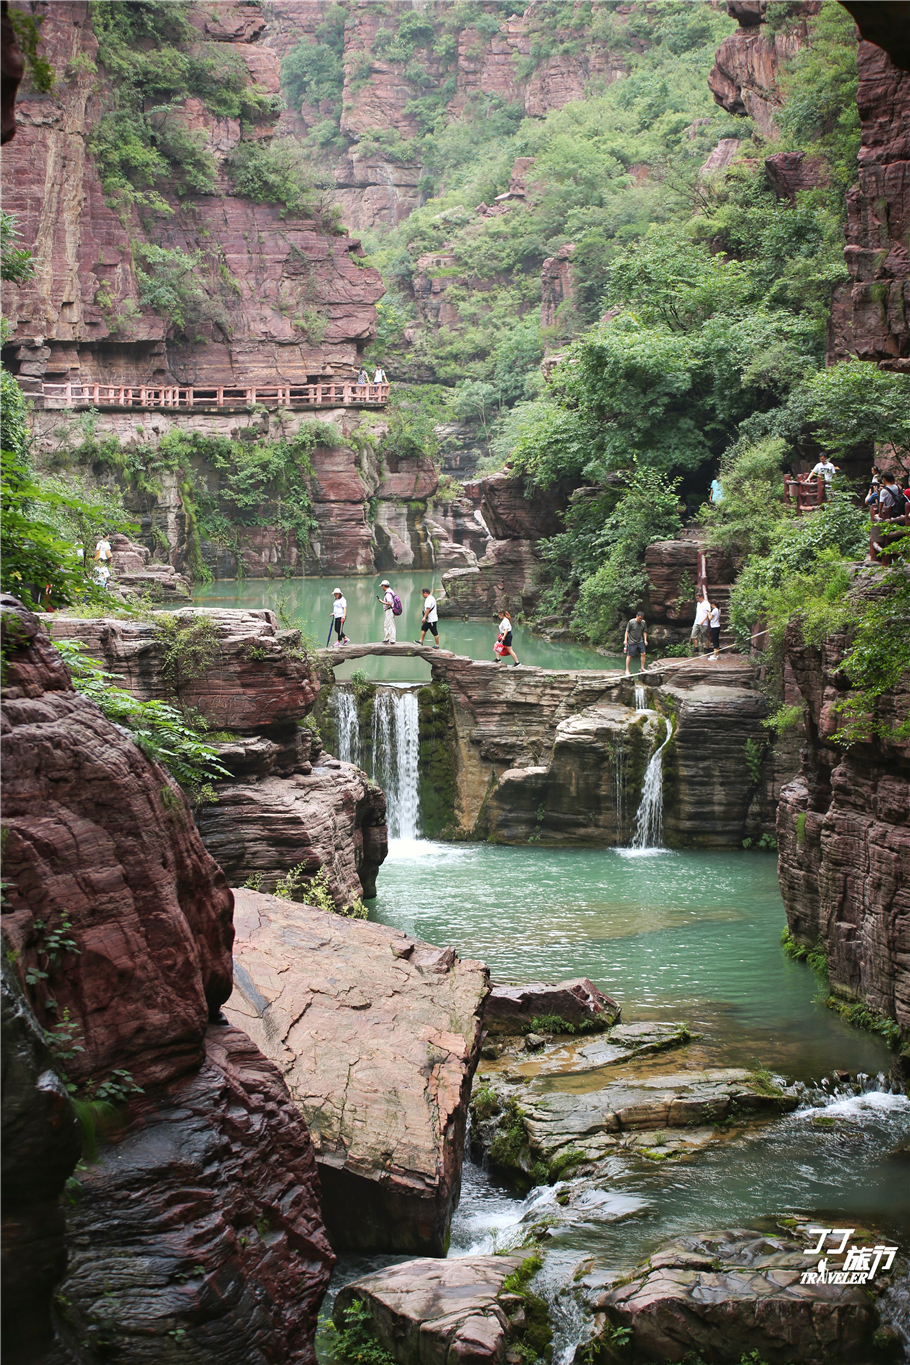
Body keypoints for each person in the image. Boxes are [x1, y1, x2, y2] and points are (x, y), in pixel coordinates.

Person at [624, 610, 647, 675]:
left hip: (640, 640)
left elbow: (644, 631)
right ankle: (627, 670)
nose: (640, 620)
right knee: (629, 655)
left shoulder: (643, 622)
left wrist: (645, 640)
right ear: (637, 616)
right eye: (639, 618)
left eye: (642, 618)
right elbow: (627, 631)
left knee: (643, 653)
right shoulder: (631, 622)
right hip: (632, 641)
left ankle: (642, 668)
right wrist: (625, 640)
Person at [690, 586, 710, 657]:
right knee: (693, 635)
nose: (697, 600)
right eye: (696, 598)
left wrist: (703, 621)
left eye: (698, 598)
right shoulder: (698, 603)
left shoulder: (706, 603)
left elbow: (708, 613)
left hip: (703, 623)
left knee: (704, 637)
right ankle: (696, 647)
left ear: (701, 597)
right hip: (696, 622)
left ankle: (707, 648)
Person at [378, 578, 396, 643]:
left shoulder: (388, 593)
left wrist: (382, 601)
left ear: (383, 586)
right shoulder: (391, 591)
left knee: (390, 624)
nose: (382, 588)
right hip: (390, 610)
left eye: (382, 586)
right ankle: (387, 638)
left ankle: (392, 639)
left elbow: (390, 603)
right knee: (386, 624)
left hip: (389, 610)